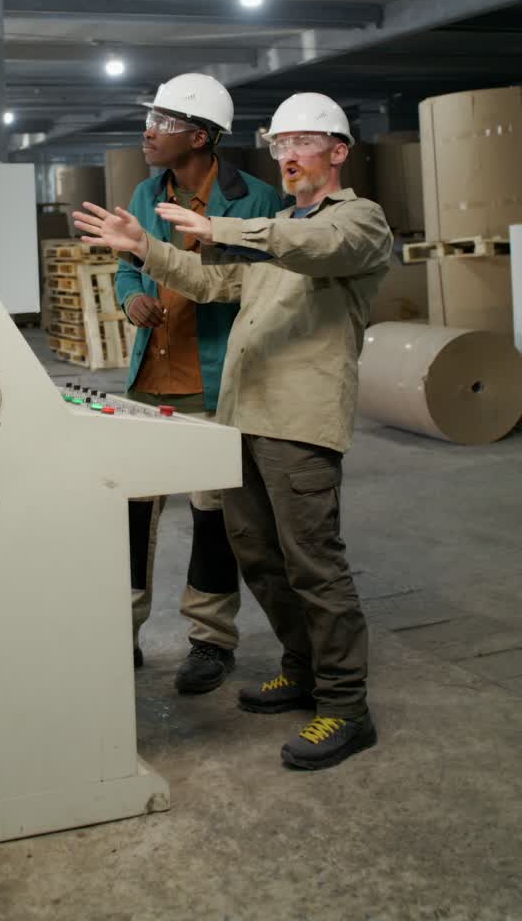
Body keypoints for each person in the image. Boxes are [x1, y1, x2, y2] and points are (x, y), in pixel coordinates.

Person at [74, 92, 393, 771]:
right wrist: (146, 250)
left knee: (314, 564)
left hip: (299, 423)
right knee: (257, 555)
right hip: (242, 413)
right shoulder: (279, 226)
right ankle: (303, 669)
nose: (289, 158)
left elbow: (311, 246)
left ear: (338, 151)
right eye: (279, 146)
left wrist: (219, 226)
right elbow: (215, 283)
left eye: (303, 144)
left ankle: (344, 706)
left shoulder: (356, 223)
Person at [116, 73, 286, 694]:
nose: (148, 132)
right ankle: (119, 630)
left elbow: (262, 288)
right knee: (131, 514)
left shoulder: (256, 200)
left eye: (161, 123)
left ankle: (210, 640)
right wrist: (131, 297)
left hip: (214, 385)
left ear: (199, 135)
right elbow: (125, 266)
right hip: (148, 381)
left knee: (214, 516)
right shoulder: (144, 192)